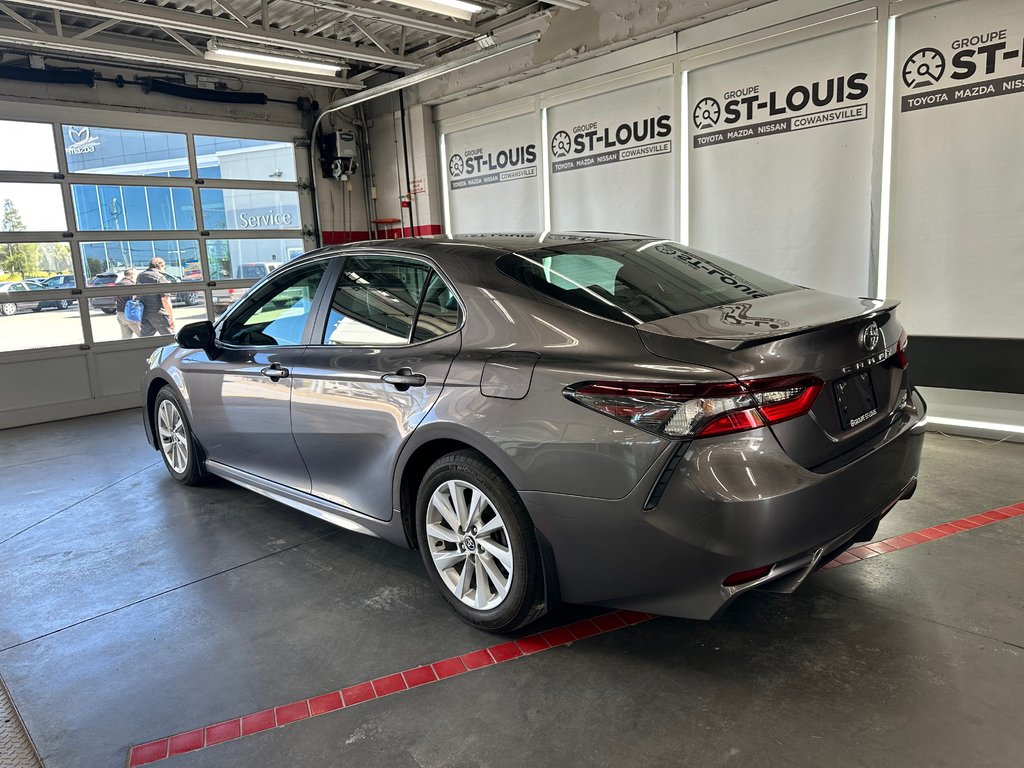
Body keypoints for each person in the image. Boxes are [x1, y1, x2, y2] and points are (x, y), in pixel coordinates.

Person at [136, 257, 175, 337]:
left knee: (145, 340)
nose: (164, 269)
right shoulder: (160, 277)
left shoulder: (140, 276)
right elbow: (165, 300)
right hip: (158, 313)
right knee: (170, 339)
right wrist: (171, 317)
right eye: (164, 266)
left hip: (144, 313)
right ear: (160, 266)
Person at [115, 267, 141, 339]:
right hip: (130, 314)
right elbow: (134, 300)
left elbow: (115, 298)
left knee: (126, 338)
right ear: (132, 275)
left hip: (120, 313)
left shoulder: (117, 284)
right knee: (143, 336)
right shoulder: (131, 284)